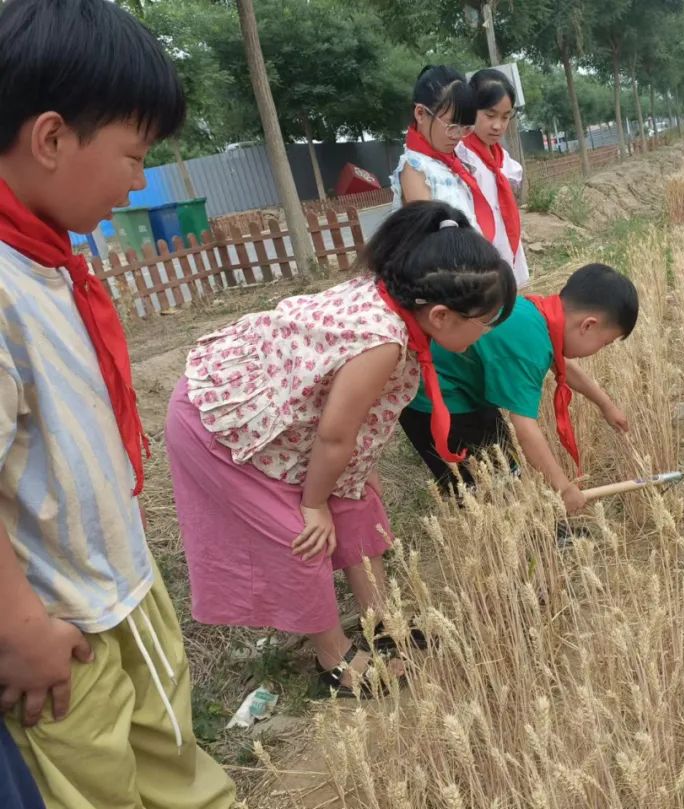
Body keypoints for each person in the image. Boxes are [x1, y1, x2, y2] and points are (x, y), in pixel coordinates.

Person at [0, 1, 235, 807]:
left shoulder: (53, 260)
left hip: (126, 582)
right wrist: (23, 630)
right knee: (97, 786)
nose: (140, 181)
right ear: (53, 138)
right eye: (135, 157)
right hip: (61, 630)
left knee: (175, 762)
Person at [164, 202, 516, 698]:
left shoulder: (395, 300)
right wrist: (312, 504)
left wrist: (339, 488)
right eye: (485, 322)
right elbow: (334, 436)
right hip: (221, 419)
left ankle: (382, 623)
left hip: (281, 414)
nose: (487, 333)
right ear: (440, 315)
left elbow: (343, 432)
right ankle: (335, 658)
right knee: (301, 535)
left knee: (359, 505)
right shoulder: (383, 340)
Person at [399, 263, 637, 514]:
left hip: (459, 391)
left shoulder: (537, 314)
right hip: (437, 401)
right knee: (484, 489)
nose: (601, 349)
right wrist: (564, 489)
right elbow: (525, 428)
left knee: (505, 469)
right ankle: (513, 538)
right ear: (587, 325)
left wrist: (606, 405)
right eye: (605, 343)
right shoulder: (528, 346)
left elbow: (561, 364)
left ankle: (531, 532)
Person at [391, 65, 496, 242]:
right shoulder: (415, 168)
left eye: (465, 128)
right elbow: (429, 238)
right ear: (421, 114)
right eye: (452, 126)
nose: (458, 136)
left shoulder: (453, 163)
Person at [459, 68, 529, 288]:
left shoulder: (501, 157)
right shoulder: (461, 157)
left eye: (505, 117)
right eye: (490, 115)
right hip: (479, 253)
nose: (498, 125)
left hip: (507, 246)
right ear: (471, 110)